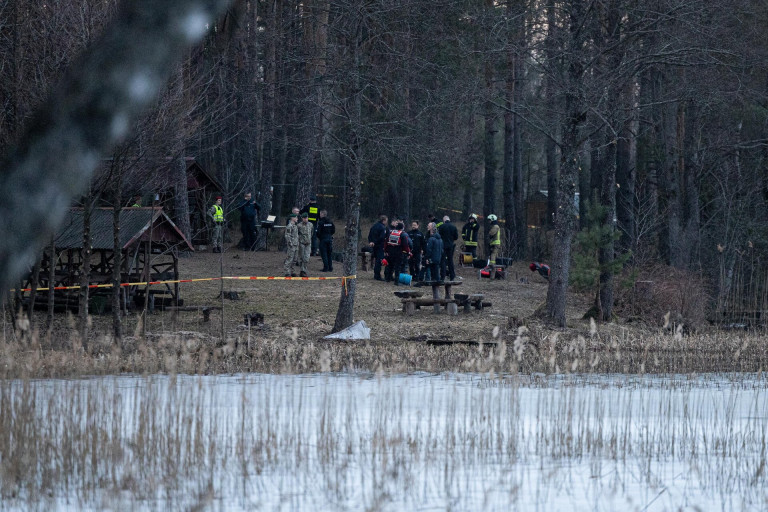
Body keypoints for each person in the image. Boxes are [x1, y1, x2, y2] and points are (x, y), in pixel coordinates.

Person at [367, 215, 388, 281]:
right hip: (379, 246)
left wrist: (371, 241)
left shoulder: (374, 226)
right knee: (379, 261)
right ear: (384, 220)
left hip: (374, 246)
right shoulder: (382, 228)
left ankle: (376, 274)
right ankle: (377, 275)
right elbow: (381, 237)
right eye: (386, 221)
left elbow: (370, 235)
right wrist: (375, 242)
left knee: (376, 260)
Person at [438, 215, 459, 281]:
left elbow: (439, 236)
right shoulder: (453, 227)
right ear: (449, 220)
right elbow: (456, 237)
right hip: (451, 245)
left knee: (443, 261)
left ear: (444, 220)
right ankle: (452, 275)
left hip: (443, 245)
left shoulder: (441, 227)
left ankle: (443, 276)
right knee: (450, 260)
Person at [297, 212, 313, 277]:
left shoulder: (310, 224)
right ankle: (302, 270)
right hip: (301, 243)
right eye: (304, 218)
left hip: (308, 243)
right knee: (301, 258)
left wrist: (309, 239)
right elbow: (297, 234)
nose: (305, 219)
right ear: (302, 218)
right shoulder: (299, 225)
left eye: (306, 218)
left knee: (306, 258)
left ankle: (303, 270)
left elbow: (311, 233)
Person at [487, 214, 501, 278]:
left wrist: (489, 233)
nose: (489, 222)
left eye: (489, 220)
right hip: (494, 244)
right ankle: (494, 275)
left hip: (495, 244)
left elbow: (491, 233)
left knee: (493, 257)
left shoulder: (495, 226)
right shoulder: (495, 226)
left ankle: (492, 267)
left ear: (492, 220)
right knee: (495, 257)